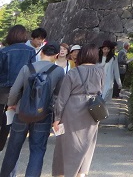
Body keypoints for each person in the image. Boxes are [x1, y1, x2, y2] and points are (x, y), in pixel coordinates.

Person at [0, 43, 65, 177]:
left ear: (41, 53)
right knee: (37, 151)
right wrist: (53, 112)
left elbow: (14, 91)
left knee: (13, 149)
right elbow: (59, 96)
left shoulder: (27, 68)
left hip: (22, 113)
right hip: (43, 115)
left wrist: (12, 104)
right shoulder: (58, 71)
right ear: (56, 55)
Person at [51, 44, 105, 177]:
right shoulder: (101, 71)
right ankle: (81, 172)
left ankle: (64, 172)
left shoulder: (73, 72)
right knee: (88, 143)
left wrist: (57, 118)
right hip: (92, 110)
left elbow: (62, 98)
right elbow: (101, 91)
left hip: (72, 110)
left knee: (66, 143)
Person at [0, 26, 37, 152]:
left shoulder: (4, 51)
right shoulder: (31, 51)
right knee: (16, 119)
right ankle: (10, 147)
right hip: (22, 90)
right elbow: (32, 71)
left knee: (3, 117)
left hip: (4, 90)